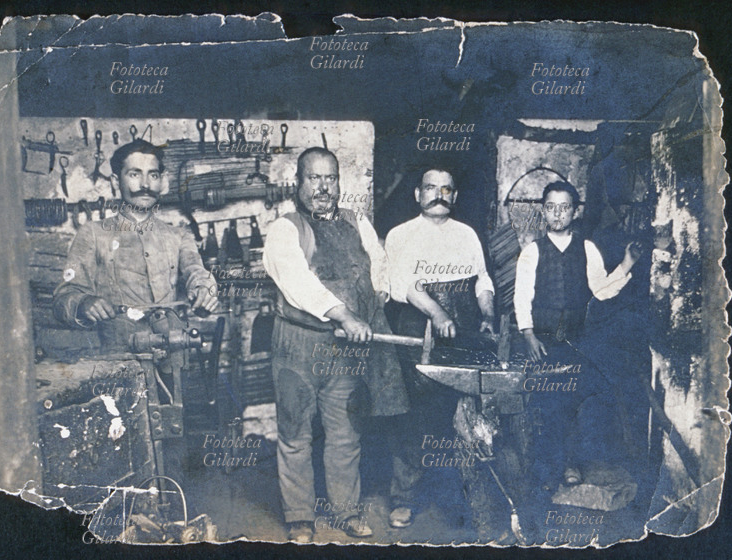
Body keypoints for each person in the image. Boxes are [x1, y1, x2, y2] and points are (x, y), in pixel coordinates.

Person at [263, 147, 408, 543]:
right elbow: (298, 283)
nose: (323, 187)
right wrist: (345, 315)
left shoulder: (356, 221)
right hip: (299, 344)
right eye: (314, 178)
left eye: (331, 178)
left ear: (339, 183)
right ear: (298, 183)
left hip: (345, 350)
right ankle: (299, 517)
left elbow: (378, 267)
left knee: (345, 433)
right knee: (295, 432)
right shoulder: (285, 229)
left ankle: (345, 511)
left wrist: (375, 300)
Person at [383, 167, 496, 531]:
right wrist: (437, 314)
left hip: (462, 326)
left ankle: (459, 498)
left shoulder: (467, 235)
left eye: (447, 189)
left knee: (462, 414)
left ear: (455, 196)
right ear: (417, 194)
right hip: (418, 326)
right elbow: (406, 285)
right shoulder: (401, 235)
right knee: (415, 414)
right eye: (431, 188)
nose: (439, 194)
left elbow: (482, 280)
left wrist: (488, 315)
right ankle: (404, 498)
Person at [513, 180, 641, 494]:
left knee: (571, 405)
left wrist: (627, 264)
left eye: (565, 207)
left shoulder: (586, 248)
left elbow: (600, 290)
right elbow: (521, 297)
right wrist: (528, 336)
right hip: (541, 344)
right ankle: (545, 470)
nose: (558, 214)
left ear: (575, 211)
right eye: (552, 207)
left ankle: (569, 464)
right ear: (543, 211)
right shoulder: (532, 251)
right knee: (543, 406)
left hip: (574, 343)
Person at [53, 139, 218, 351]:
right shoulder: (92, 234)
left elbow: (197, 273)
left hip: (174, 360)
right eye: (134, 174)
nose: (145, 185)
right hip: (120, 362)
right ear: (115, 182)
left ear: (162, 181)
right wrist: (83, 303)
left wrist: (204, 290)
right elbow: (62, 300)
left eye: (153, 175)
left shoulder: (179, 235)